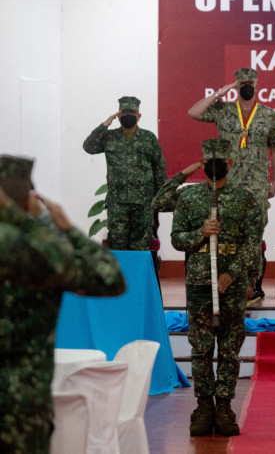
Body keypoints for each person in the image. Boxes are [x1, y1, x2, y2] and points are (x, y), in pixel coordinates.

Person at [0, 155, 126, 454]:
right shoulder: (41, 249)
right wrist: (67, 227)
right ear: (30, 200)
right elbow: (110, 278)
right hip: (20, 407)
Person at [171, 139, 263, 437]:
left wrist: (233, 274)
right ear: (202, 160)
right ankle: (203, 407)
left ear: (231, 163)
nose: (215, 164)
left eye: (220, 159)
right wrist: (201, 232)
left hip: (232, 286)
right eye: (209, 158)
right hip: (199, 282)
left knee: (229, 348)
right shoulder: (188, 198)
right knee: (200, 348)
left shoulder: (244, 198)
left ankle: (224, 406)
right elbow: (177, 240)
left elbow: (253, 244)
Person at [188, 68, 275, 298]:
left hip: (258, 185)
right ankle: (227, 281)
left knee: (254, 234)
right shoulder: (224, 111)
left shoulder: (271, 115)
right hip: (227, 184)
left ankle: (253, 285)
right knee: (228, 234)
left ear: (257, 85)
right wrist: (219, 93)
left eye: (251, 83)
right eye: (242, 84)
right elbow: (194, 112)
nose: (247, 87)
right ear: (237, 87)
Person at [82, 96, 166, 250]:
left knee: (141, 245)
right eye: (124, 112)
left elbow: (159, 167)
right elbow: (88, 147)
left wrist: (159, 196)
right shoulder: (109, 137)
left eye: (132, 113)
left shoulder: (149, 138)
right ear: (118, 115)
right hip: (117, 202)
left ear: (139, 116)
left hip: (143, 202)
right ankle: (120, 275)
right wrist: (104, 125)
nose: (128, 116)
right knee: (117, 244)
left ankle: (138, 275)